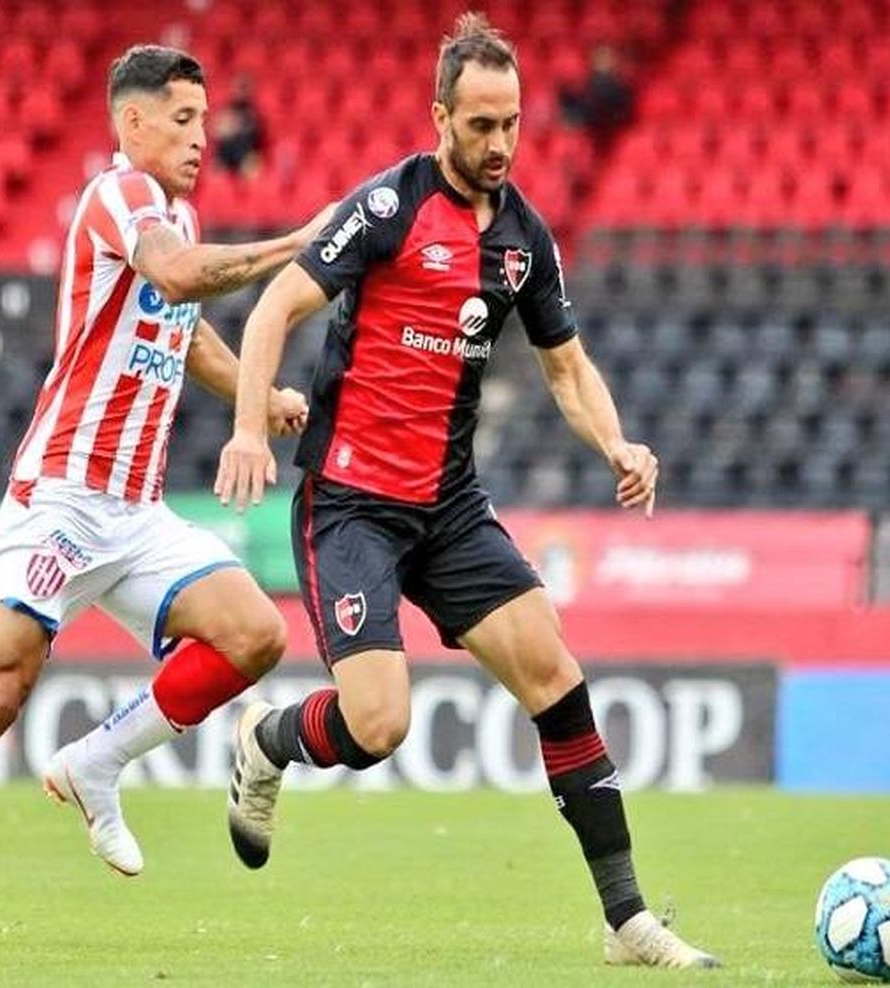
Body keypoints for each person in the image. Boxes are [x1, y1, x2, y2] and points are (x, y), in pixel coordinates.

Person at [0, 45, 331, 950]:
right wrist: (294, 246)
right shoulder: (118, 196)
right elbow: (176, 276)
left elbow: (184, 325)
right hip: (62, 498)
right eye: (183, 119)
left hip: (135, 510)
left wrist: (256, 394)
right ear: (133, 124)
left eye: (204, 119)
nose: (203, 136)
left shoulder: (175, 213)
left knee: (256, 635)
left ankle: (96, 761)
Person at [214, 14, 717, 971]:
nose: (498, 145)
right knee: (380, 725)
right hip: (351, 501)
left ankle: (627, 922)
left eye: (512, 125)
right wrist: (246, 426)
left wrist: (618, 442)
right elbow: (279, 302)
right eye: (480, 125)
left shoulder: (526, 239)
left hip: (448, 508)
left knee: (558, 680)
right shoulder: (389, 207)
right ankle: (271, 738)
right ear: (440, 114)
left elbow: (567, 370)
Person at [214, 76, 265, 177]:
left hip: (246, 154)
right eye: (237, 88)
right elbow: (218, 131)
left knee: (252, 169)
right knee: (216, 175)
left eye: (243, 88)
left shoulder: (253, 112)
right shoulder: (228, 108)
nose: (239, 92)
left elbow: (255, 136)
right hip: (226, 153)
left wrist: (234, 126)